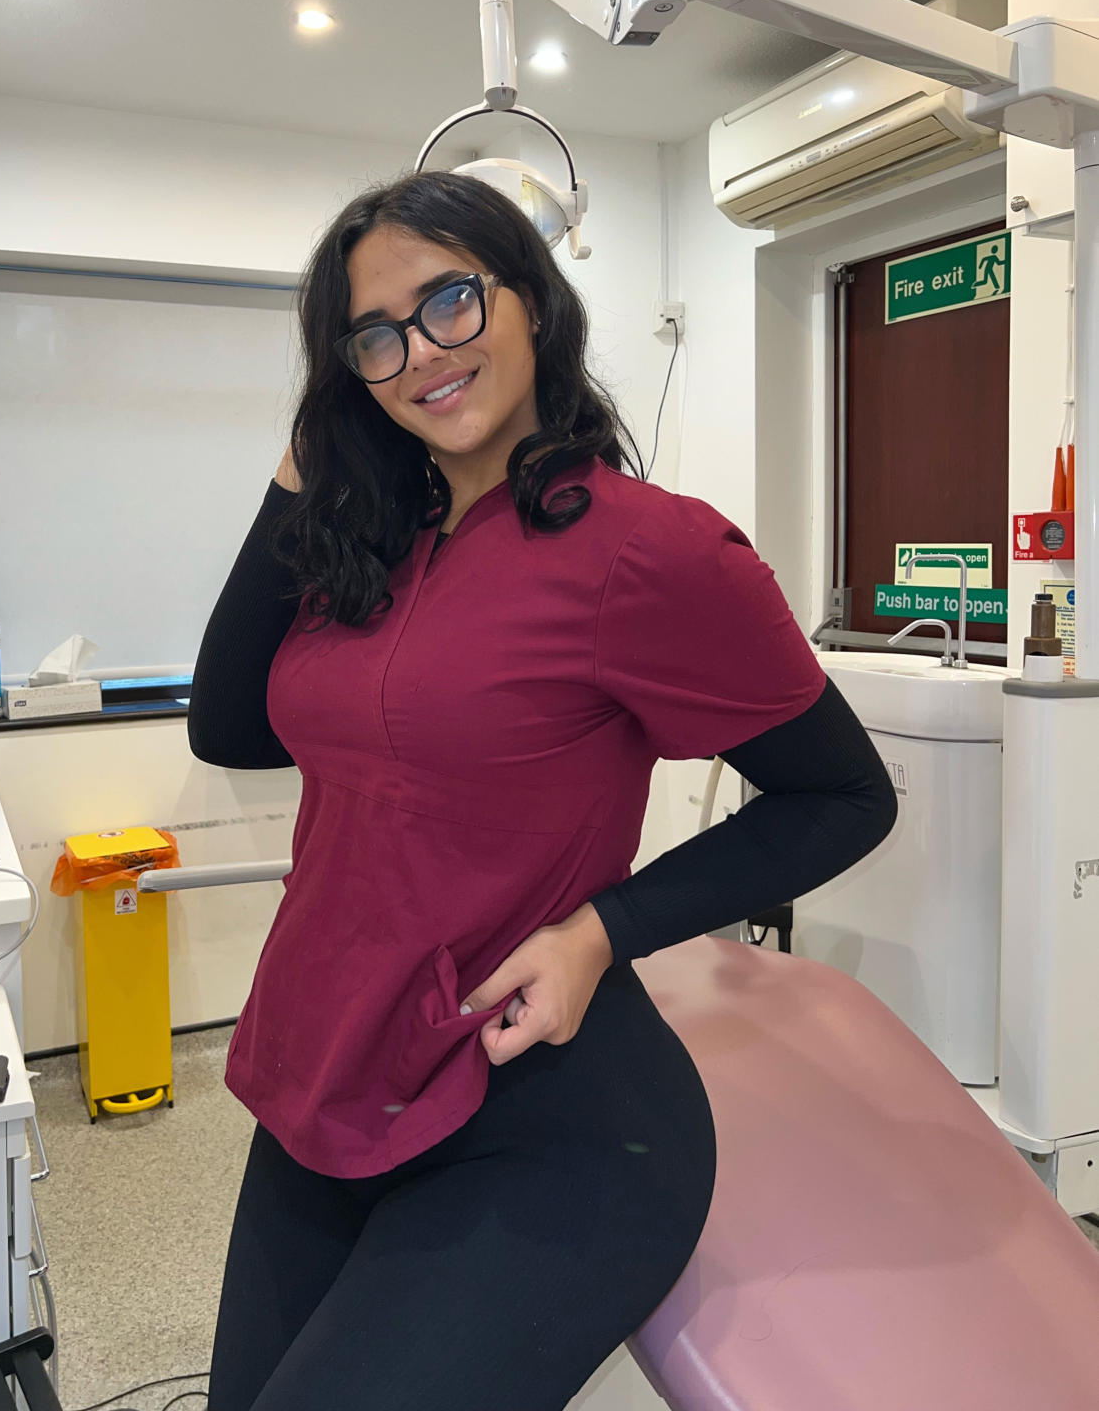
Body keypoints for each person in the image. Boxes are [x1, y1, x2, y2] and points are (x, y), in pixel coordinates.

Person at [188, 171, 898, 1411]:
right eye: (375, 336)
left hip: (546, 1118)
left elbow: (844, 797)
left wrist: (599, 933)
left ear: (528, 300)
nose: (419, 353)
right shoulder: (375, 546)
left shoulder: (648, 550)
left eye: (449, 301)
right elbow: (229, 722)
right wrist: (304, 464)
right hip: (329, 1080)